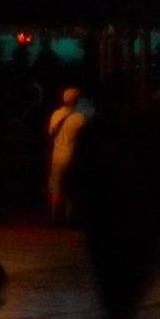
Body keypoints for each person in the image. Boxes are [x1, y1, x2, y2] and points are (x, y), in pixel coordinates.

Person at [68, 81, 160, 319]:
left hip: (113, 229)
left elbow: (76, 181)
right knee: (123, 304)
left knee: (120, 304)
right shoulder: (135, 136)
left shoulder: (99, 136)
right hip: (123, 228)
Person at [46, 86, 90, 224]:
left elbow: (50, 134)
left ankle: (53, 216)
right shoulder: (80, 118)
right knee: (70, 186)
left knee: (55, 186)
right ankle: (69, 217)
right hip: (71, 155)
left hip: (56, 155)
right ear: (76, 101)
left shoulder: (55, 115)